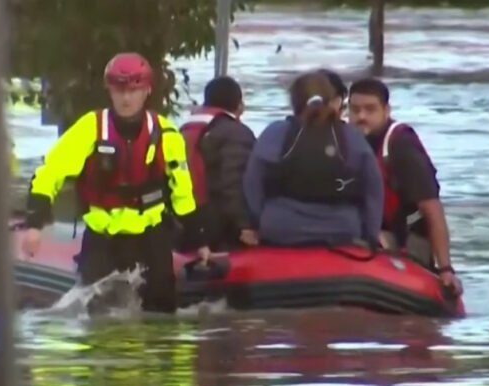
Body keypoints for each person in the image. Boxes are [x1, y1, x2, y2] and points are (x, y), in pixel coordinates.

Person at [19, 52, 210, 313]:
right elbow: (50, 174)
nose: (126, 98)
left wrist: (200, 241)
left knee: (162, 315)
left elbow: (183, 194)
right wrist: (35, 225)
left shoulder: (167, 135)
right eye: (119, 90)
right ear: (109, 91)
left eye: (133, 90)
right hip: (102, 239)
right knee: (95, 316)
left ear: (147, 91)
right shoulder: (89, 129)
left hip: (151, 238)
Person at [242, 71, 383, 247]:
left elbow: (252, 184)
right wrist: (370, 235)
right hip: (342, 229)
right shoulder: (352, 137)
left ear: (294, 102)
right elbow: (373, 191)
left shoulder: (276, 133)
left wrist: (258, 222)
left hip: (280, 228)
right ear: (331, 100)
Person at [347, 77, 462, 293]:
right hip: (363, 234)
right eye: (355, 110)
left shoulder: (401, 145)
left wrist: (445, 268)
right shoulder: (345, 141)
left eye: (370, 110)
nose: (361, 116)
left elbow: (431, 207)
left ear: (386, 110)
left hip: (406, 238)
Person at [178, 76, 258, 250]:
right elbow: (233, 184)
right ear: (239, 105)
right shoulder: (237, 133)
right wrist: (243, 226)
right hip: (216, 227)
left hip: (183, 222)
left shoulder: (184, 129)